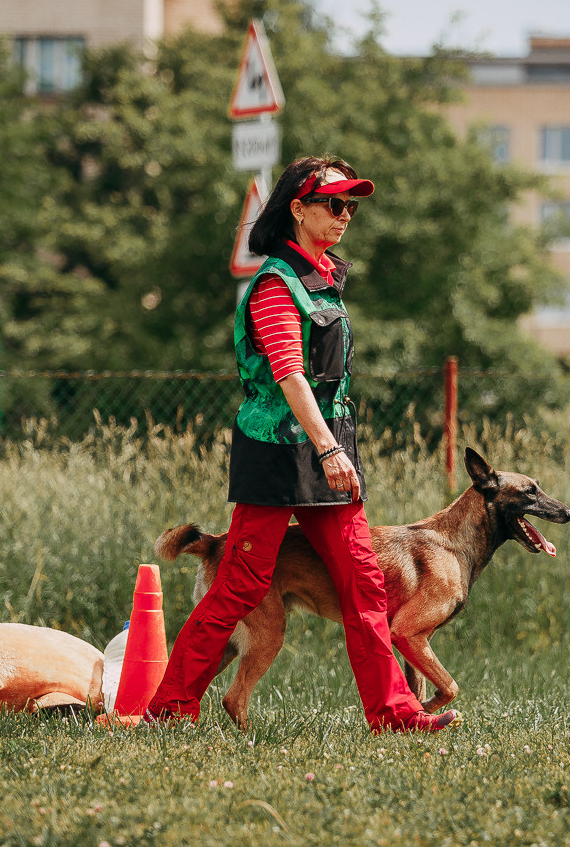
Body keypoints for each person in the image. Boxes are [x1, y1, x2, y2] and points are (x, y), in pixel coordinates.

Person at [144, 156, 459, 732]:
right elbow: (289, 374)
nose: (345, 216)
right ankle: (170, 707)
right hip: (278, 456)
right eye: (333, 204)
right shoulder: (273, 282)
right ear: (298, 209)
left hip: (327, 452)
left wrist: (335, 448)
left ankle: (394, 713)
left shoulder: (325, 279)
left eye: (351, 206)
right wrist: (330, 450)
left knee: (364, 582)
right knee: (239, 584)